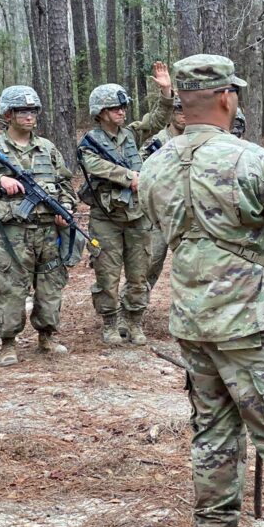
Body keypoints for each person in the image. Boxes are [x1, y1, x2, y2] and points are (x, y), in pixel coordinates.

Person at [139, 54, 264, 527]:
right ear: (227, 97)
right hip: (251, 321)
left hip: (193, 320)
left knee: (213, 434)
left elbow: (156, 223)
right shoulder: (251, 159)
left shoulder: (154, 164)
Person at [0, 86, 76, 366]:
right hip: (13, 232)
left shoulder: (48, 148)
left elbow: (64, 184)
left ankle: (47, 336)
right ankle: (8, 343)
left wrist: (67, 208)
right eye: (23, 111)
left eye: (33, 111)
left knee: (51, 284)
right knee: (11, 287)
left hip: (49, 230)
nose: (30, 116)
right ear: (8, 114)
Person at [78, 62, 174, 346]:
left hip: (137, 216)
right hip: (106, 218)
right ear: (100, 112)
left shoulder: (131, 134)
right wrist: (129, 176)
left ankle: (133, 321)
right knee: (106, 275)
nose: (122, 111)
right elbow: (96, 166)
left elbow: (157, 120)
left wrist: (166, 91)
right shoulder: (89, 143)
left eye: (123, 107)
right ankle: (109, 322)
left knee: (139, 274)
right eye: (115, 108)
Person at [141, 94, 186, 290]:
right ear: (171, 114)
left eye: (187, 110)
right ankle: (135, 306)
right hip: (159, 213)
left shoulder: (193, 139)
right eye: (178, 110)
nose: (184, 115)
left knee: (189, 264)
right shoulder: (157, 141)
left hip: (185, 211)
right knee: (152, 262)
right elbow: (142, 171)